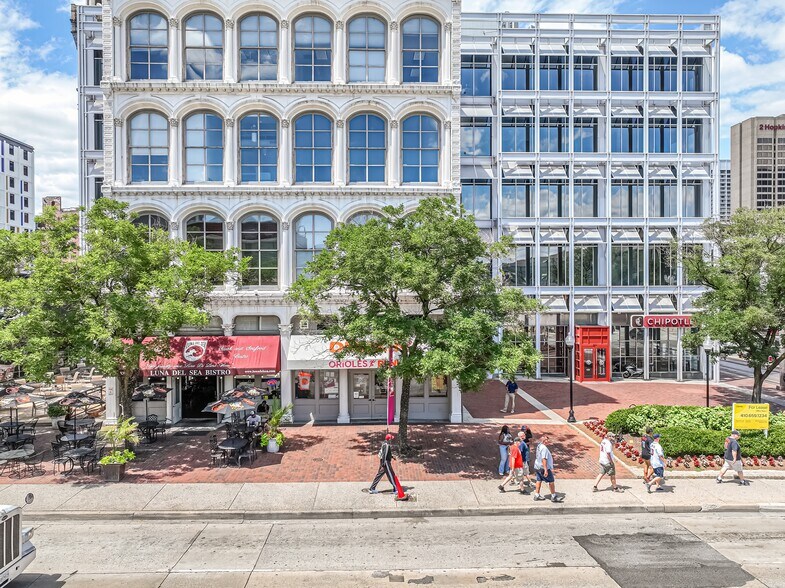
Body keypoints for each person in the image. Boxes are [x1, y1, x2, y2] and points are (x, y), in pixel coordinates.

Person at [368, 433, 407, 500]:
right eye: (391, 438)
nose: (392, 440)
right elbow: (384, 455)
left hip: (384, 462)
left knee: (379, 475)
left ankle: (372, 488)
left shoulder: (385, 444)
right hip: (386, 463)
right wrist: (384, 464)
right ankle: (395, 489)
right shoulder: (386, 445)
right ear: (389, 439)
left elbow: (385, 453)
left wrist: (391, 457)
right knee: (391, 475)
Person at [532, 435, 563, 502]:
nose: (548, 441)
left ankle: (536, 495)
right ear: (544, 441)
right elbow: (544, 459)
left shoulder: (539, 446)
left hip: (537, 466)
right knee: (551, 481)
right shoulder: (544, 448)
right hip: (543, 467)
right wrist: (546, 470)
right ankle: (553, 496)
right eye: (547, 440)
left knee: (539, 480)